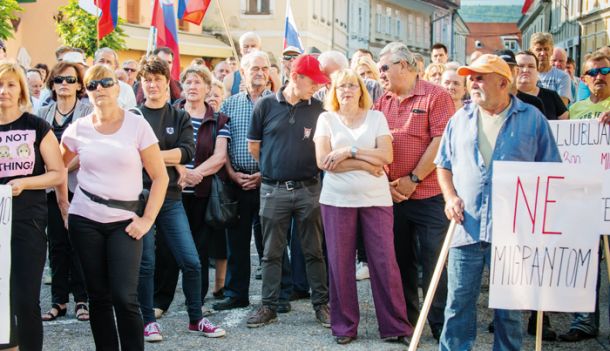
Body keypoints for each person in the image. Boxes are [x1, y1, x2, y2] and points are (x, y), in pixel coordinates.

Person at [436, 54, 561, 350]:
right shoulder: (460, 119)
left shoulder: (533, 119)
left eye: (480, 77)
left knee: (510, 312)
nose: (473, 83)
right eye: (472, 78)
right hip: (466, 225)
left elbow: (552, 171)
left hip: (514, 232)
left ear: (503, 82)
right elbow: (443, 164)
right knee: (457, 306)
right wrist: (450, 196)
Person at [58, 64, 168, 351]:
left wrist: (146, 220)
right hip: (85, 219)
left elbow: (160, 177)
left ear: (119, 88)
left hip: (126, 222)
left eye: (106, 82)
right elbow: (57, 167)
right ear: (86, 92)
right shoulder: (78, 128)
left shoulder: (136, 124)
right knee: (99, 297)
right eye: (92, 85)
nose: (99, 89)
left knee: (124, 296)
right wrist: (64, 206)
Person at [314, 68, 411, 345]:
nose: (347, 90)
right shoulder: (326, 119)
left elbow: (387, 155)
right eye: (341, 86)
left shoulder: (376, 117)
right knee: (340, 263)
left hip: (376, 199)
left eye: (352, 86)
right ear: (334, 91)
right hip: (337, 200)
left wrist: (349, 151)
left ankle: (395, 326)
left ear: (361, 90)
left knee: (384, 262)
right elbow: (323, 161)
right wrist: (368, 163)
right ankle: (344, 327)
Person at [135, 56, 225, 342]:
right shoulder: (134, 116)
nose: (152, 85)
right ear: (142, 83)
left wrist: (148, 154)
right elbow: (131, 154)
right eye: (147, 81)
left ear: (167, 84)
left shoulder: (179, 116)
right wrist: (164, 154)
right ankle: (148, 321)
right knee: (147, 262)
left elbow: (186, 153)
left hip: (172, 197)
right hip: (142, 197)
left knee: (191, 260)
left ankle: (196, 318)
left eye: (157, 81)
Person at [374, 42, 454, 341]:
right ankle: (408, 324)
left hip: (429, 194)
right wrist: (387, 182)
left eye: (384, 67)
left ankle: (440, 325)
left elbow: (440, 142)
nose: (380, 73)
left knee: (434, 262)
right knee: (399, 261)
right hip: (392, 195)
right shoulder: (383, 102)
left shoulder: (436, 95)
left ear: (404, 66)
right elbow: (375, 144)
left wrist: (413, 178)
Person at [246, 54, 331, 328]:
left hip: (309, 188)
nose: (317, 87)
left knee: (314, 250)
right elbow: (255, 146)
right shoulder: (266, 105)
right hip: (273, 190)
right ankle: (268, 306)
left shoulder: (319, 109)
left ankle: (321, 305)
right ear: (296, 77)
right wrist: (274, 167)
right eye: (314, 82)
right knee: (271, 252)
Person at [153, 65, 230, 317]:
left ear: (208, 88)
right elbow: (160, 149)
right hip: (172, 190)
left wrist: (196, 174)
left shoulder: (218, 119)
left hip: (201, 192)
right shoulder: (170, 115)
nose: (193, 87)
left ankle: (195, 302)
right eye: (188, 82)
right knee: (165, 248)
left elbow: (219, 157)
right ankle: (160, 301)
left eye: (198, 82)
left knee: (199, 248)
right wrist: (183, 172)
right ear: (182, 87)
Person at [0, 62, 65, 351]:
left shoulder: (36, 126)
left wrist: (25, 183)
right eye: (0, 85)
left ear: (22, 91)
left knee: (25, 298)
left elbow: (58, 173)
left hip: (28, 222)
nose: (4, 91)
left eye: (11, 85)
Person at [212, 51, 276, 311]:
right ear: (243, 72)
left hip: (269, 183)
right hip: (236, 182)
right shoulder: (229, 104)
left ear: (269, 72)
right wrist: (230, 173)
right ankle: (236, 293)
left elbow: (281, 145)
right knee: (236, 243)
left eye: (264, 68)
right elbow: (222, 144)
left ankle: (275, 296)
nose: (259, 72)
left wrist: (264, 174)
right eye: (253, 68)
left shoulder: (278, 103)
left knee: (270, 244)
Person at [557, 52, 610, 342]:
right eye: (592, 73)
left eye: (605, 70)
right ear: (583, 78)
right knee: (586, 263)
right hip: (584, 197)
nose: (598, 76)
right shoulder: (574, 110)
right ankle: (584, 322)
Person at [38, 61, 92, 323]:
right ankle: (58, 300)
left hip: (80, 186)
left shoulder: (88, 110)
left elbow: (86, 150)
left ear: (80, 85)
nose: (64, 85)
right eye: (59, 80)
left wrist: (60, 171)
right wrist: (54, 175)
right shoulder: (43, 112)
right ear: (52, 84)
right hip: (49, 189)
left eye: (70, 80)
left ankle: (82, 299)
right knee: (57, 244)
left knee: (79, 243)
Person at [516, 51, 568, 120]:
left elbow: (566, 124)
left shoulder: (552, 96)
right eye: (521, 66)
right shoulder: (506, 98)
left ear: (537, 71)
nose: (525, 70)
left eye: (531, 66)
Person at [530, 32, 572, 105]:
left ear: (552, 51)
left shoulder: (562, 77)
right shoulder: (526, 75)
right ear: (531, 51)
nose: (542, 53)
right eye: (539, 49)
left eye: (546, 49)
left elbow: (561, 107)